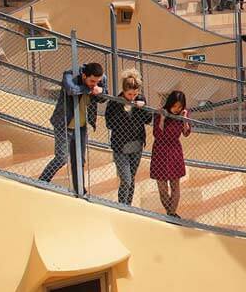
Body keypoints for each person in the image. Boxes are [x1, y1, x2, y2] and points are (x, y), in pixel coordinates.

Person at [38, 62, 105, 192]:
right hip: (64, 124)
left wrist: (101, 90)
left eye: (97, 81)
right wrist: (90, 89)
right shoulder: (69, 75)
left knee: (79, 160)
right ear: (84, 75)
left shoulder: (101, 79)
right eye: (92, 81)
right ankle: (42, 182)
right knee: (61, 158)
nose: (95, 84)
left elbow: (103, 97)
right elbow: (72, 90)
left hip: (81, 127)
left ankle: (80, 190)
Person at [105, 70, 154, 205]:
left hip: (136, 145)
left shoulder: (140, 100)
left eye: (135, 94)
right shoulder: (115, 102)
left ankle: (128, 205)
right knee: (125, 179)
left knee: (131, 178)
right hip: (121, 147)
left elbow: (148, 120)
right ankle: (122, 205)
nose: (132, 97)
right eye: (129, 94)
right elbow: (109, 123)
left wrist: (142, 108)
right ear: (124, 91)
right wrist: (123, 109)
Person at [150, 90, 192, 217]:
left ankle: (171, 213)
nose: (177, 109)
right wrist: (162, 119)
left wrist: (185, 120)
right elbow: (157, 134)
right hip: (160, 151)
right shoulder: (160, 113)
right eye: (174, 106)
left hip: (174, 151)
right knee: (162, 187)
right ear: (170, 104)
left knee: (175, 185)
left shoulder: (183, 114)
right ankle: (171, 213)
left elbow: (186, 133)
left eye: (180, 106)